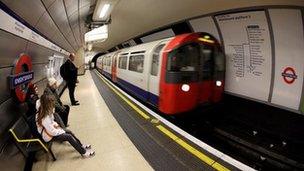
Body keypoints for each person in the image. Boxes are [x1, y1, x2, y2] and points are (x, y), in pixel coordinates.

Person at [36, 93, 95, 157]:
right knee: (68, 136)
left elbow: (52, 121)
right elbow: (51, 132)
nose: (53, 105)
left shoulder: (45, 111)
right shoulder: (44, 117)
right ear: (47, 104)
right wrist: (61, 131)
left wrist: (57, 126)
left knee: (69, 132)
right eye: (51, 104)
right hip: (48, 136)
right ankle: (84, 152)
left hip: (52, 130)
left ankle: (80, 145)